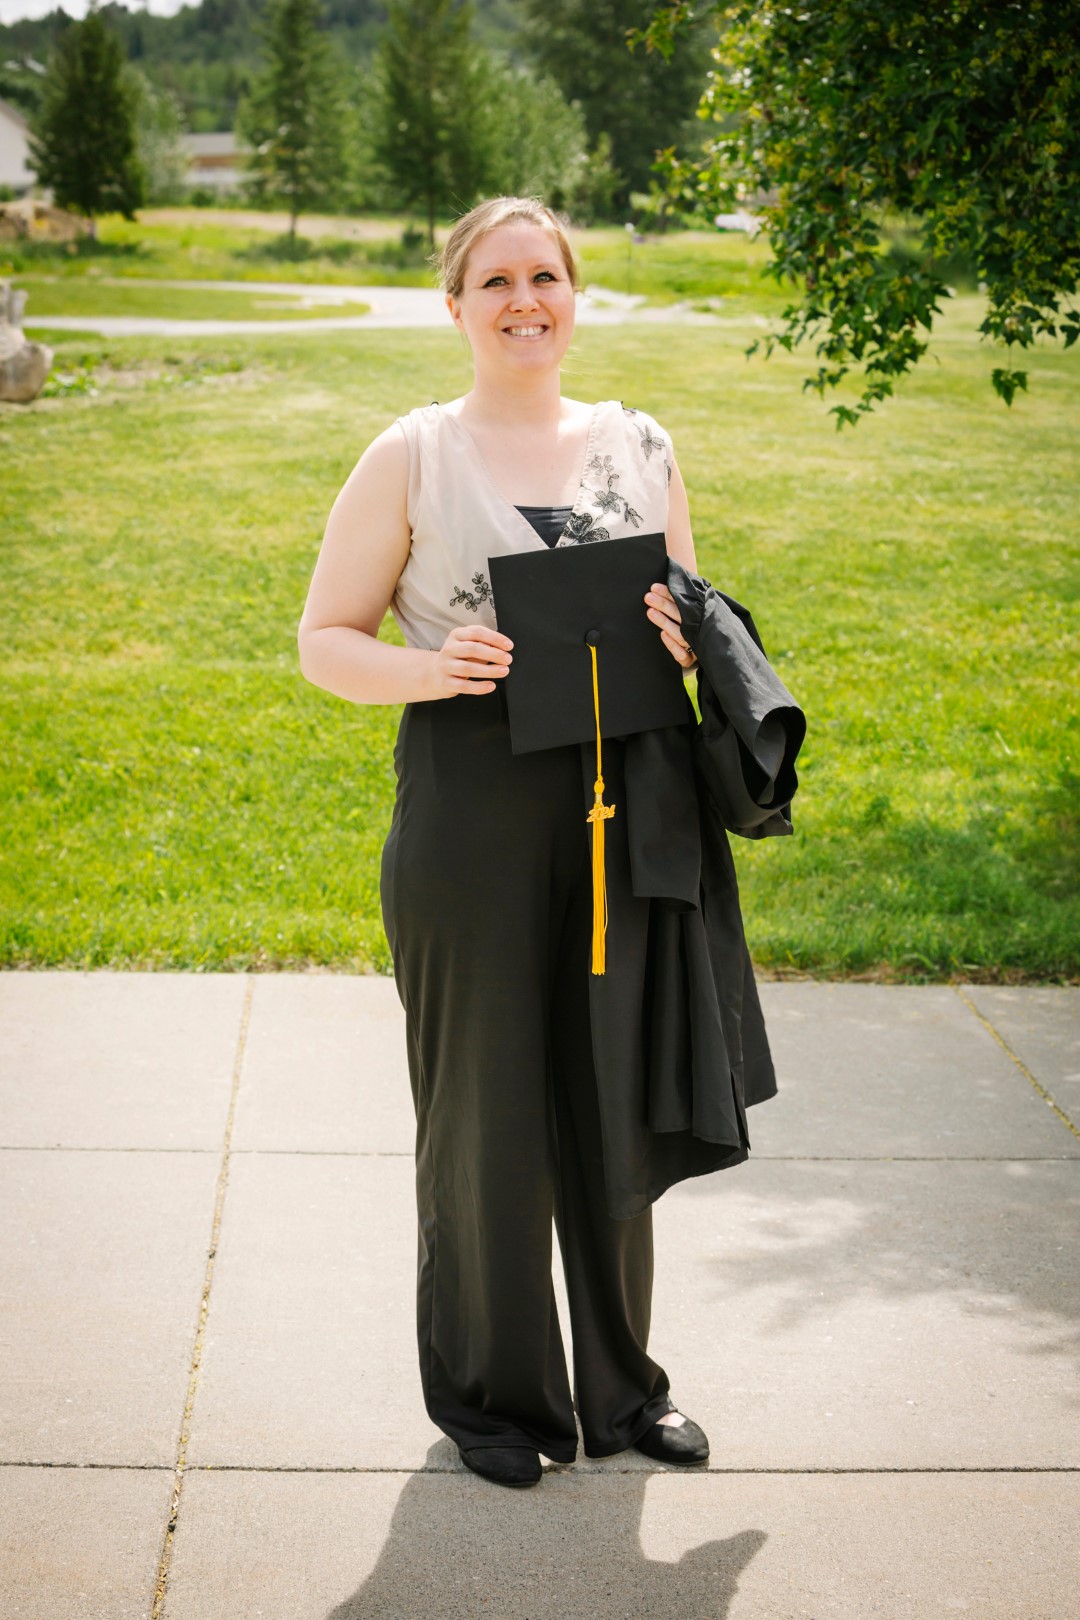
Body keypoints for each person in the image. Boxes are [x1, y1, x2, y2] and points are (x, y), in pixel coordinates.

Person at [297, 195, 713, 1490]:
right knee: (485, 1114)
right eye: (497, 281)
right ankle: (497, 1404)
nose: (525, 300)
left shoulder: (640, 443)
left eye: (546, 277)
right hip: (471, 808)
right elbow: (324, 642)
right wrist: (433, 668)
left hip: (618, 811)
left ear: (575, 295)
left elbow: (687, 618)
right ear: (456, 305)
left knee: (614, 1103)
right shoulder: (413, 454)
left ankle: (625, 1392)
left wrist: (688, 635)